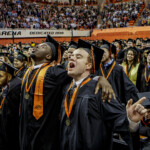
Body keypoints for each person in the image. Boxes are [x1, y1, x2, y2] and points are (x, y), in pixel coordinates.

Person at [19, 35, 115, 150]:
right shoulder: (27, 71)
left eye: (43, 46)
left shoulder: (53, 72)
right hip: (26, 130)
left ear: (49, 56)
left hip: (44, 133)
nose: (37, 47)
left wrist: (99, 78)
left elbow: (80, 75)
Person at [60, 39, 147, 150]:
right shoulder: (66, 88)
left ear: (89, 65)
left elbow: (119, 120)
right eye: (72, 55)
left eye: (78, 57)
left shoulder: (99, 90)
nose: (71, 57)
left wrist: (131, 120)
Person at [98, 41, 139, 105]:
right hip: (101, 102)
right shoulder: (97, 68)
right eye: (100, 52)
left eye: (104, 52)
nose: (102, 54)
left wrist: (138, 99)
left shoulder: (117, 68)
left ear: (109, 53)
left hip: (114, 103)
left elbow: (127, 86)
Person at [0, 60, 21, 150]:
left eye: (0, 76)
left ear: (8, 76)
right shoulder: (9, 85)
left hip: (11, 130)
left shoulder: (15, 87)